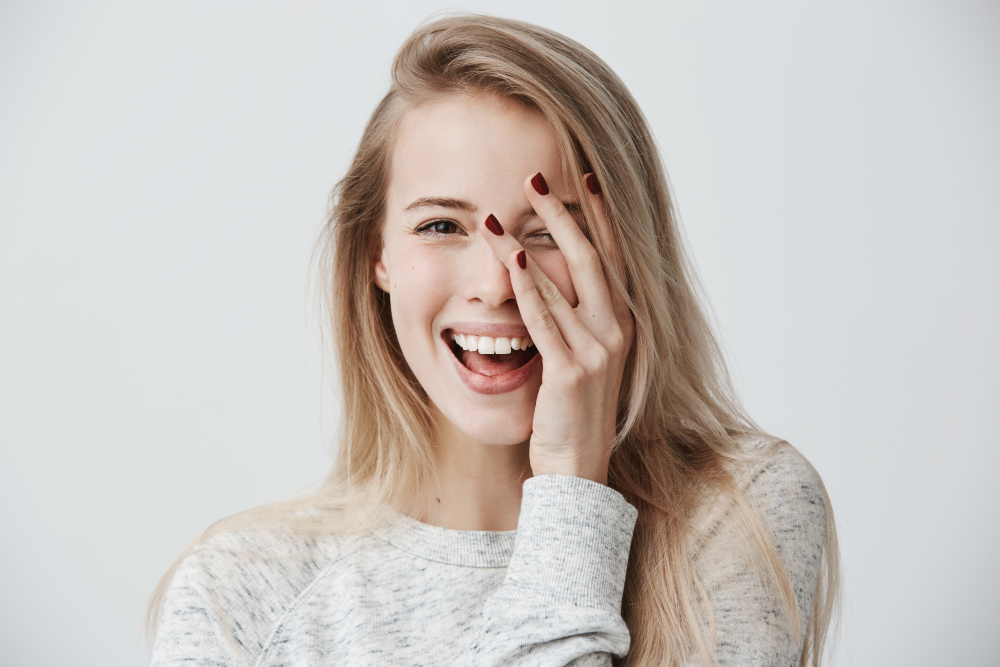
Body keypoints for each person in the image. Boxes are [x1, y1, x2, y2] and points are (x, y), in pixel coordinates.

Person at [146, 14, 839, 667]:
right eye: (442, 226)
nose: (498, 284)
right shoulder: (239, 590)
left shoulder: (739, 513)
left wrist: (570, 479)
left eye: (549, 229)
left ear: (625, 252)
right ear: (374, 256)